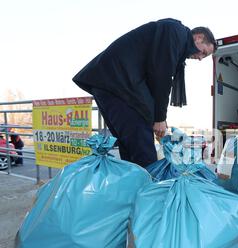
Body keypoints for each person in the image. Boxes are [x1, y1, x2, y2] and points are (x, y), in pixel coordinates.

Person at [73, 18, 217, 168]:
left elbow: (153, 79)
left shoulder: (173, 38)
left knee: (130, 149)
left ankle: (134, 189)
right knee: (144, 153)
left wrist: (157, 119)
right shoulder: (175, 32)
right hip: (119, 85)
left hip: (111, 85)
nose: (200, 58)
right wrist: (160, 118)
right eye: (204, 53)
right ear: (199, 37)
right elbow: (161, 75)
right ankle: (148, 190)